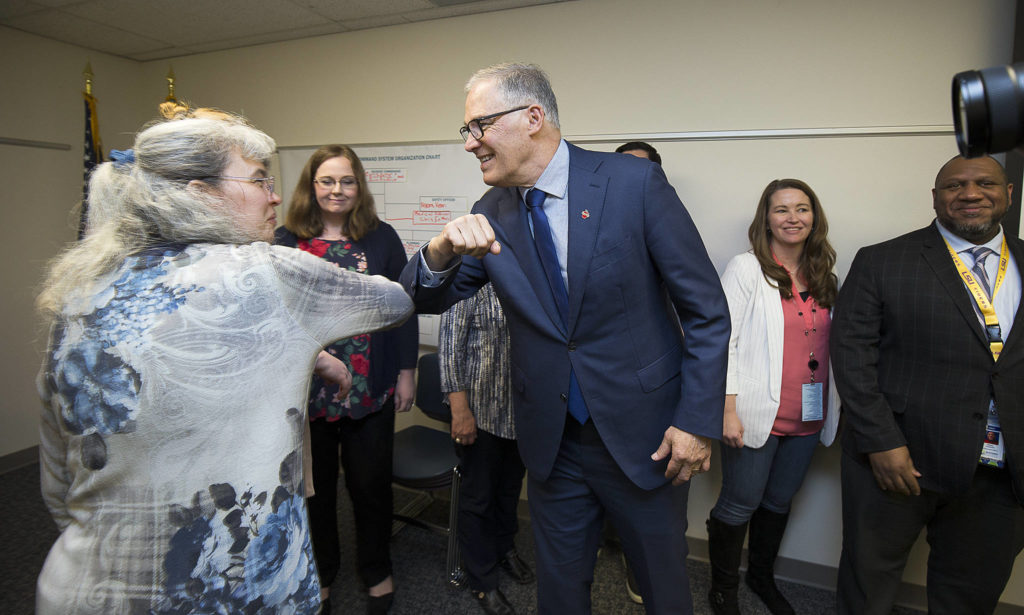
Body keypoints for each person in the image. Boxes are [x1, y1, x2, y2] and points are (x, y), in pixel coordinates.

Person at [35, 110, 413, 615]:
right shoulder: (265, 269)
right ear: (201, 191)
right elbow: (398, 301)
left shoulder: (80, 292)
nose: (273, 196)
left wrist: (308, 353)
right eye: (259, 179)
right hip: (230, 588)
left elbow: (60, 484)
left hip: (86, 586)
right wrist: (449, 248)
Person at [400, 63, 731, 615]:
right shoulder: (492, 212)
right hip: (553, 442)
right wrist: (439, 250)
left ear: (533, 118)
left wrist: (697, 421)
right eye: (467, 130)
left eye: (478, 125)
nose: (470, 143)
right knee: (560, 593)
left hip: (646, 434)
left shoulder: (633, 185)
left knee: (663, 589)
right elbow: (426, 297)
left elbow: (706, 312)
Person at [831, 154, 1024, 615]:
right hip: (899, 460)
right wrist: (881, 442)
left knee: (970, 593)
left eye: (984, 183)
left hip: (1001, 473)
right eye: (955, 186)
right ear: (936, 197)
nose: (970, 193)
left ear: (1008, 194)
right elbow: (852, 355)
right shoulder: (883, 260)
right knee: (867, 586)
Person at [275, 144, 418, 615]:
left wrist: (406, 372)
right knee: (313, 493)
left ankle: (376, 570)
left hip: (368, 386)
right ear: (311, 186)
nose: (337, 190)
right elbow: (274, 316)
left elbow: (402, 310)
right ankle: (321, 574)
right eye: (327, 181)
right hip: (305, 389)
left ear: (359, 187)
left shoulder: (381, 238)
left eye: (347, 181)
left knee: (370, 486)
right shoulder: (285, 239)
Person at [707, 179, 840, 615]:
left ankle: (761, 579)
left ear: (814, 218)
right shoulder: (747, 269)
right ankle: (723, 589)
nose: (792, 218)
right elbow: (723, 340)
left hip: (809, 414)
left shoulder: (824, 274)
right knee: (740, 502)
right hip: (754, 413)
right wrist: (727, 409)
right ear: (766, 218)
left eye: (802, 209)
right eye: (781, 209)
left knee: (779, 502)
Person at [439, 282, 534, 615]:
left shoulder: (528, 269)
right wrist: (459, 411)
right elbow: (450, 346)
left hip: (520, 412)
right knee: (479, 497)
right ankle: (482, 580)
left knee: (509, 490)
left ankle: (504, 548)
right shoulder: (468, 272)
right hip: (478, 413)